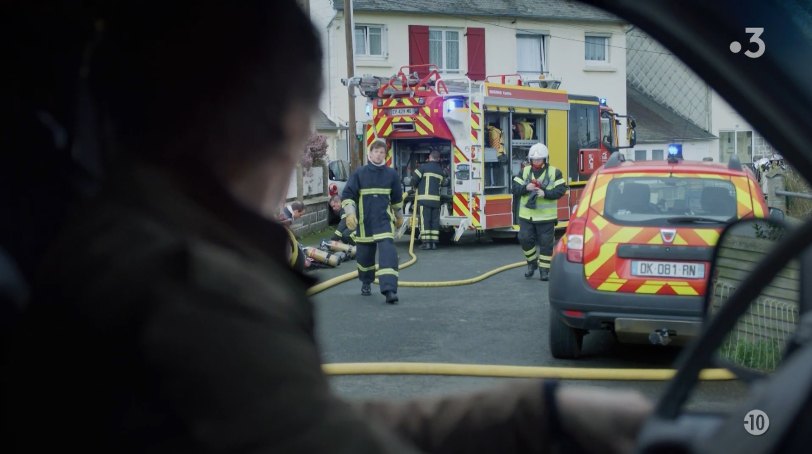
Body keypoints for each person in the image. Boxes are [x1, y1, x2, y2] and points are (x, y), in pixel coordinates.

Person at [3, 1, 651, 453]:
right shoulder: (192, 294)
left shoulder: (92, 246)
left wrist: (538, 417)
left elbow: (301, 427)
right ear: (292, 129)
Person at [342, 139, 403, 304]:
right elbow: (348, 195)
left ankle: (389, 290)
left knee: (388, 255)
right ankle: (366, 282)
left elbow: (397, 199)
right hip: (365, 222)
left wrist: (399, 216)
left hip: (384, 222)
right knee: (364, 258)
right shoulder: (359, 173)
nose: (379, 154)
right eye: (376, 151)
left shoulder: (391, 174)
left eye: (382, 152)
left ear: (385, 155)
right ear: (370, 154)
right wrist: (350, 214)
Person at [512, 143, 566, 281]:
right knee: (524, 239)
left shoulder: (555, 172)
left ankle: (544, 271)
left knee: (546, 244)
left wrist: (545, 193)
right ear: (530, 160)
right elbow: (515, 188)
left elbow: (561, 190)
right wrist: (526, 188)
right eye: (534, 160)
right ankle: (532, 264)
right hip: (526, 216)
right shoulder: (524, 171)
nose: (536, 162)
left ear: (545, 159)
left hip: (546, 217)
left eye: (539, 159)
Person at [412, 150, 444, 250]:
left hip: (424, 200)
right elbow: (442, 183)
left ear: (429, 158)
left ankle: (426, 243)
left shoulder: (423, 167)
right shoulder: (440, 170)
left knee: (425, 221)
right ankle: (433, 243)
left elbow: (414, 180)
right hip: (436, 201)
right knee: (434, 221)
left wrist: (414, 186)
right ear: (438, 159)